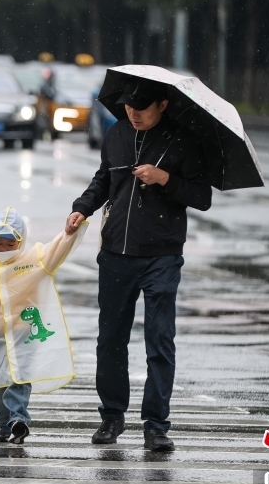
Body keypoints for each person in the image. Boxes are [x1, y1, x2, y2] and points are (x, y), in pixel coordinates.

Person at [66, 83, 211, 451]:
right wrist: (82, 207)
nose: (134, 113)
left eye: (143, 107)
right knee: (110, 339)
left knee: (159, 339)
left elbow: (202, 196)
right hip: (115, 252)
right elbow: (104, 179)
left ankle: (156, 425)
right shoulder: (116, 132)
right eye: (130, 106)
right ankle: (112, 417)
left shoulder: (183, 139)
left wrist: (164, 179)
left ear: (163, 104)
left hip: (162, 254)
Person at [0, 207, 87, 444]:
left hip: (24, 332)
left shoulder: (35, 260)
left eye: (10, 244)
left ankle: (17, 419)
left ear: (20, 242)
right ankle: (4, 421)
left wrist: (70, 232)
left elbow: (58, 247)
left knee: (18, 378)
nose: (2, 249)